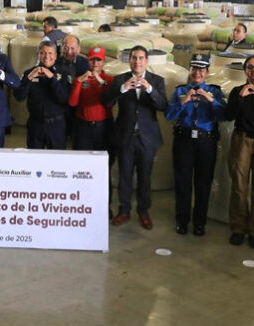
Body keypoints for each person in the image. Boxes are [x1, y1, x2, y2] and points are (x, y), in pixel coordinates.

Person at [101, 45, 167, 230]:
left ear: (146, 61)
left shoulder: (157, 81)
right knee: (125, 175)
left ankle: (143, 211)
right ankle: (124, 210)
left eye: (141, 58)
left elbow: (163, 105)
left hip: (147, 138)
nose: (137, 62)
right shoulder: (120, 80)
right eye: (134, 58)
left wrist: (150, 89)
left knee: (145, 176)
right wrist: (122, 89)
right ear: (129, 60)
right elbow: (106, 101)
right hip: (125, 136)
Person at [165, 54, 226, 236]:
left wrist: (211, 100)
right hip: (184, 141)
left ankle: (200, 223)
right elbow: (169, 115)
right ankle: (182, 220)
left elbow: (224, 115)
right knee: (182, 182)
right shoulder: (180, 91)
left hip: (206, 141)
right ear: (190, 70)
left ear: (207, 72)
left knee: (203, 183)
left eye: (201, 69)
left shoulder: (215, 91)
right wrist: (183, 102)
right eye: (194, 68)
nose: (197, 73)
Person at [68, 47, 114, 217]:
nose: (95, 63)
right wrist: (79, 83)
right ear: (88, 61)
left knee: (104, 169)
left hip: (103, 128)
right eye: (92, 59)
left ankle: (105, 206)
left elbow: (110, 102)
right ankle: (82, 204)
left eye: (98, 60)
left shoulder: (109, 80)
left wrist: (100, 80)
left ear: (103, 62)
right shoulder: (80, 79)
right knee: (82, 168)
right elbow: (73, 103)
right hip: (83, 128)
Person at [226, 55, 254, 249]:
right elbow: (228, 115)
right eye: (250, 67)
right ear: (245, 71)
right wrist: (240, 97)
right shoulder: (237, 91)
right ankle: (238, 228)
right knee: (239, 186)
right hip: (242, 140)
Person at [14, 41, 70, 149]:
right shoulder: (29, 73)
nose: (46, 56)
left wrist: (52, 78)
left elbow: (64, 98)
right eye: (43, 53)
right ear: (38, 55)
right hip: (36, 124)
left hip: (56, 124)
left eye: (50, 53)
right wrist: (29, 78)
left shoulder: (63, 73)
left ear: (55, 56)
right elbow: (19, 96)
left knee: (57, 157)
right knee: (34, 156)